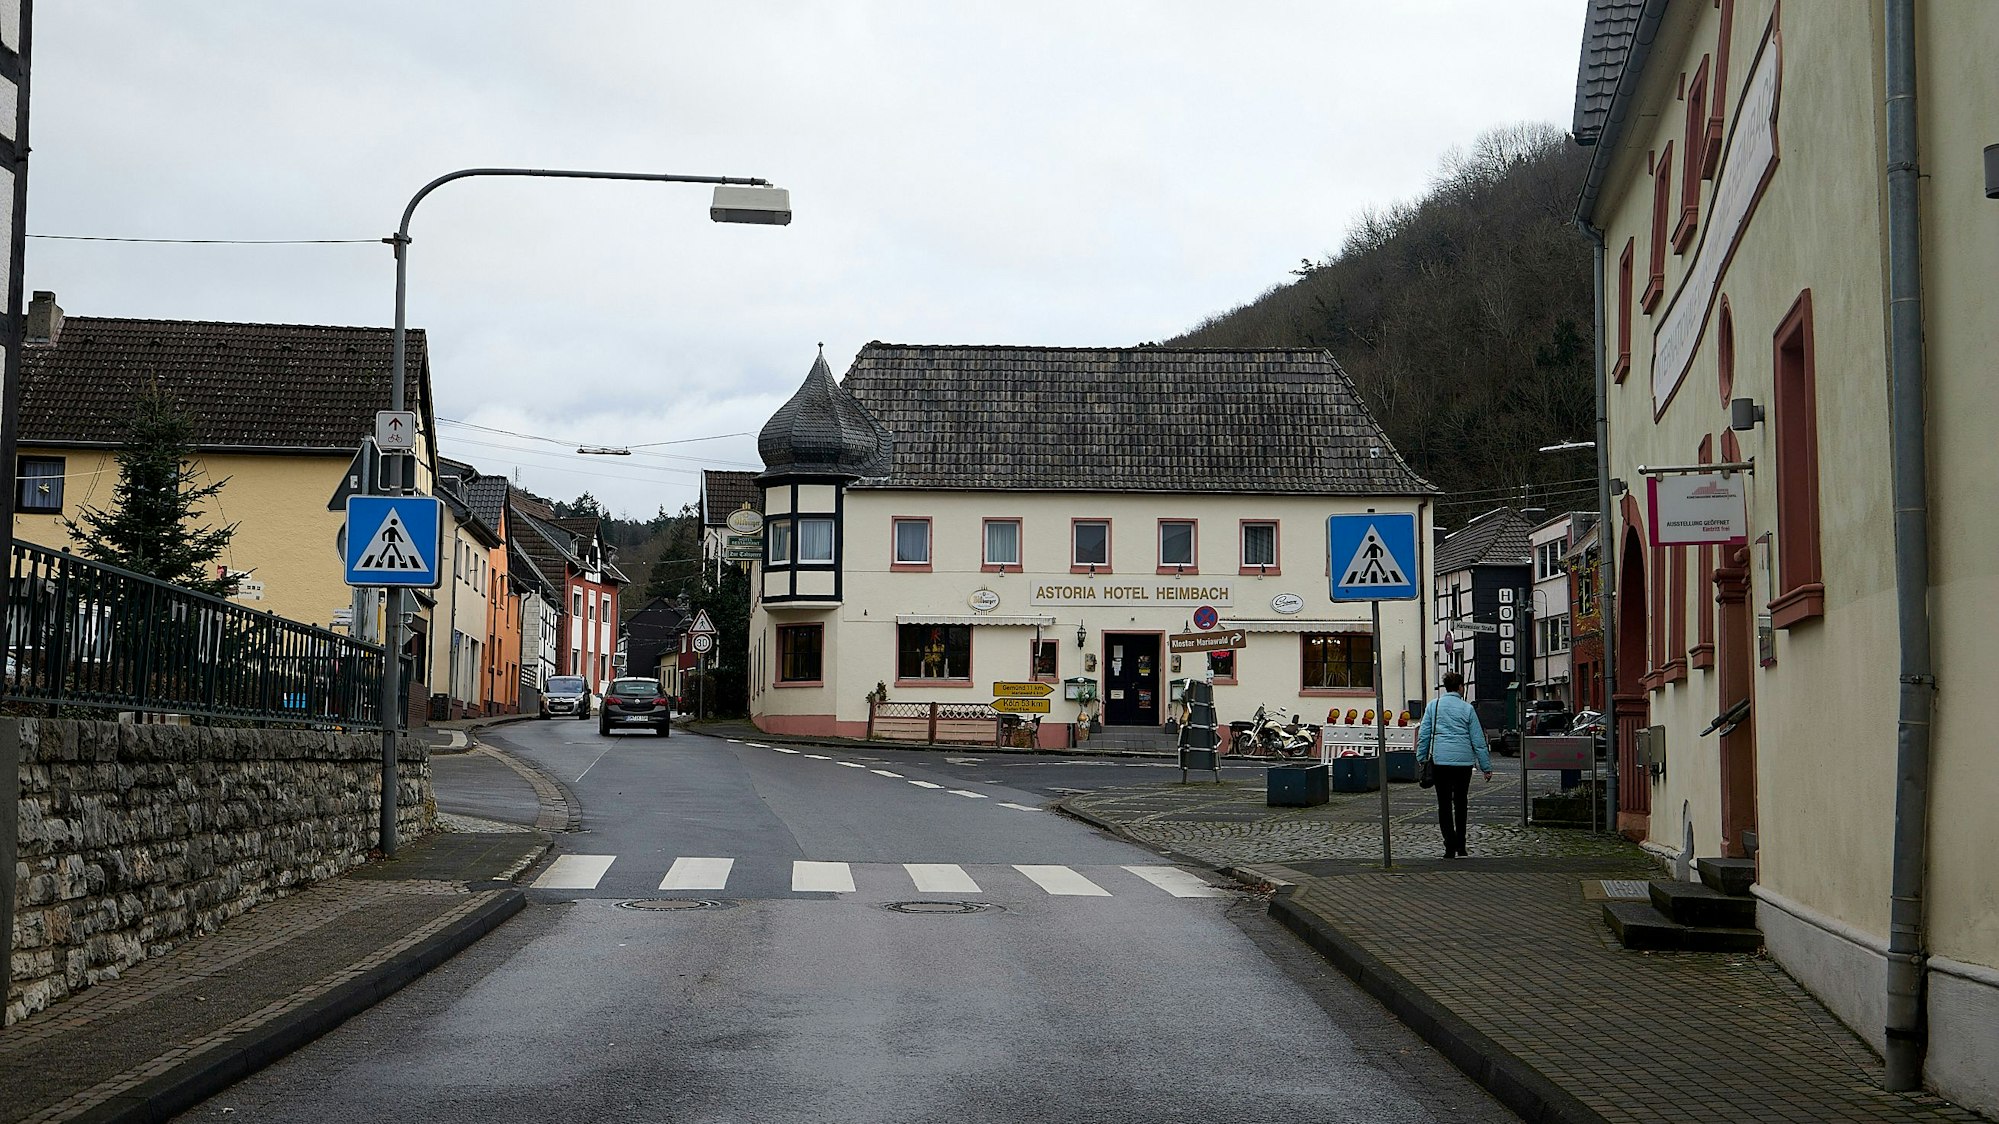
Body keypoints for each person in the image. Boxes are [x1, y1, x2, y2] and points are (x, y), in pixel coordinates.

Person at [1416, 671, 1493, 858]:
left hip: (1440, 761)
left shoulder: (1433, 707)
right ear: (1460, 687)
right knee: (1460, 802)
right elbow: (1478, 739)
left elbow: (1424, 734)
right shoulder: (1467, 709)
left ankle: (1449, 845)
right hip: (1463, 762)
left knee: (1443, 804)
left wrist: (1421, 757)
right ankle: (1461, 845)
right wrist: (1486, 767)